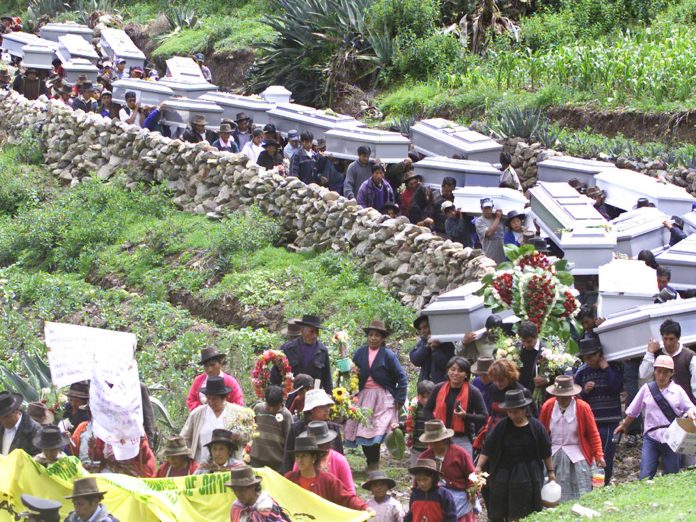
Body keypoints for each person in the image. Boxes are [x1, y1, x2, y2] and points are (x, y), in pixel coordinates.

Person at [474, 389, 553, 522]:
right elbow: (488, 446)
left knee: (521, 511)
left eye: (515, 412)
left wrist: (551, 472)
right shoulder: (502, 426)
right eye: (509, 412)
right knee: (500, 508)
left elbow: (546, 451)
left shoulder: (536, 427)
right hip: (503, 473)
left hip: (528, 475)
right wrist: (479, 467)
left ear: (524, 410)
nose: (512, 415)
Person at [615, 355, 696, 479]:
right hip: (651, 437)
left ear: (671, 373)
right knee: (645, 474)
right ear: (654, 371)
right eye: (658, 371)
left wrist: (691, 413)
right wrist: (624, 425)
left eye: (665, 372)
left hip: (672, 438)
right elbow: (633, 411)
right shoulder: (646, 389)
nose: (661, 376)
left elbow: (690, 407)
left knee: (672, 475)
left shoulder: (677, 390)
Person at [344, 320, 408, 471]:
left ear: (382, 338)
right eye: (371, 335)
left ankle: (374, 463)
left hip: (382, 398)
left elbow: (402, 378)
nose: (373, 338)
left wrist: (399, 398)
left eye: (377, 335)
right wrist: (351, 379)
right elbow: (352, 373)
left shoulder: (388, 355)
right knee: (364, 430)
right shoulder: (360, 353)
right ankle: (371, 462)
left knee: (377, 432)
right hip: (364, 397)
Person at [539, 376, 605, 501]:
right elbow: (541, 433)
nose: (561, 400)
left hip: (577, 454)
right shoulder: (548, 406)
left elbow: (593, 434)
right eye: (559, 397)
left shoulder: (582, 407)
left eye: (565, 397)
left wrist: (598, 455)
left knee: (580, 490)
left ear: (572, 395)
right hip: (552, 454)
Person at [573, 338, 623, 485]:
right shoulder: (582, 372)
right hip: (591, 421)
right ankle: (591, 484)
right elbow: (574, 396)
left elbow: (617, 388)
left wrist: (606, 369)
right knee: (591, 454)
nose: (588, 361)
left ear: (599, 354)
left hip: (610, 420)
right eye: (585, 358)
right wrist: (584, 391)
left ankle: (602, 484)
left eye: (591, 357)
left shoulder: (614, 367)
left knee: (606, 455)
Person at [284, 435, 371, 513]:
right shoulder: (290, 478)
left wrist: (364, 507)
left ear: (313, 458)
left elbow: (347, 498)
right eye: (297, 456)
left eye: (304, 456)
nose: (299, 460)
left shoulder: (328, 480)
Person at [423, 357, 488, 455]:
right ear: (447, 371)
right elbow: (427, 409)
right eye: (452, 369)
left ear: (466, 374)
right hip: (440, 437)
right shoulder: (438, 388)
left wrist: (465, 416)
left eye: (460, 371)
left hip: (462, 439)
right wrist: (435, 424)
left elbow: (484, 416)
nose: (455, 373)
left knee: (464, 470)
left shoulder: (473, 391)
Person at [181, 376, 250, 464]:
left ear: (224, 398)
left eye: (215, 399)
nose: (211, 402)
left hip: (230, 466)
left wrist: (238, 436)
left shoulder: (238, 413)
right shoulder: (197, 414)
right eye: (209, 398)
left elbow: (248, 436)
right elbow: (184, 438)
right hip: (201, 465)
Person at [418, 420, 476, 522]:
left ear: (445, 439)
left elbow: (472, 476)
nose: (434, 445)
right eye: (431, 442)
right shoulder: (425, 456)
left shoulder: (460, 453)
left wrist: (472, 493)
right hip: (434, 496)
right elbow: (418, 480)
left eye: (437, 441)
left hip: (459, 495)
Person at [281, 387, 343, 473]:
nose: (327, 409)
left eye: (328, 406)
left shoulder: (333, 429)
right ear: (311, 409)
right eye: (322, 406)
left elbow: (339, 455)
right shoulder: (296, 429)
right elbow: (288, 457)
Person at [640, 319, 696, 405]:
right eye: (665, 339)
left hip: (684, 408)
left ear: (678, 338)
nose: (668, 343)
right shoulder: (656, 355)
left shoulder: (689, 356)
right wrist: (650, 353)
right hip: (660, 407)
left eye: (671, 339)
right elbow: (644, 375)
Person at [292, 421, 355, 493]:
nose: (318, 448)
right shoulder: (302, 459)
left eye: (321, 444)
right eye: (315, 445)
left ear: (328, 442)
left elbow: (350, 490)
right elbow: (294, 485)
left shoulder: (339, 460)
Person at [273, 315, 332, 393]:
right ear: (302, 331)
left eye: (317, 332)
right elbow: (275, 376)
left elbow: (327, 379)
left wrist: (330, 395)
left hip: (314, 396)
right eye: (311, 332)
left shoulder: (322, 351)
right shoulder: (287, 349)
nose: (315, 336)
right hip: (291, 395)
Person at [250, 385, 292, 473]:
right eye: (269, 406)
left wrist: (285, 466)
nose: (272, 409)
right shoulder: (258, 409)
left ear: (281, 402)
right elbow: (250, 428)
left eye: (275, 407)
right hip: (256, 461)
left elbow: (289, 442)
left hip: (276, 465)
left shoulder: (286, 416)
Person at [187, 347, 244, 411]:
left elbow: (239, 404)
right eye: (206, 366)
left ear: (220, 363)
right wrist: (203, 410)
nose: (209, 369)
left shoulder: (231, 382)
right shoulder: (198, 381)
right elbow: (191, 400)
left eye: (212, 365)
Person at [226, 465, 291, 522]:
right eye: (235, 490)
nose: (238, 494)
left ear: (253, 487)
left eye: (242, 490)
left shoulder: (267, 507)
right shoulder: (236, 508)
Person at [395, 380, 434, 466]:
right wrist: (399, 425)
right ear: (418, 396)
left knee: (431, 471)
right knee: (416, 471)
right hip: (416, 447)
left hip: (432, 448)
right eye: (423, 397)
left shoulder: (435, 409)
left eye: (428, 397)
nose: (425, 400)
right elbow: (409, 424)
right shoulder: (414, 409)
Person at [409, 315, 455, 385]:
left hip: (442, 385)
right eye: (421, 329)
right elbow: (415, 360)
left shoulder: (446, 343)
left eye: (425, 327)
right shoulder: (422, 343)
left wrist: (435, 349)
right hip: (424, 386)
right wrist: (426, 347)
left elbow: (447, 364)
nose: (423, 331)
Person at [0, 390, 41, 456]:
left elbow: (36, 460)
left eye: (6, 417)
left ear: (16, 410)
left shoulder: (34, 430)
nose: (3, 421)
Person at [517, 321, 548, 395]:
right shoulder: (517, 349)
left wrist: (547, 379)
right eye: (523, 341)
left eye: (529, 341)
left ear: (536, 336)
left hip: (538, 395)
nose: (526, 345)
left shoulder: (546, 351)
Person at [474, 197, 505, 264]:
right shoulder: (479, 221)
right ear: (481, 208)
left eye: (489, 208)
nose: (488, 210)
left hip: (503, 256)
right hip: (489, 257)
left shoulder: (499, 217)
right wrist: (497, 218)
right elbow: (489, 233)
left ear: (492, 207)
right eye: (485, 208)